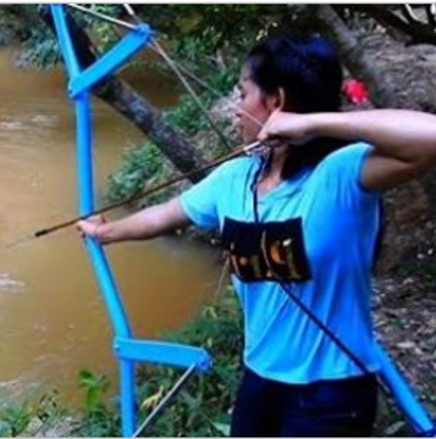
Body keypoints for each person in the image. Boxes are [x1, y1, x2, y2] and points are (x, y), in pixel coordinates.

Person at [76, 34, 436, 437]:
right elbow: (166, 215)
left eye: (242, 92)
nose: (234, 108)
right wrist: (107, 232)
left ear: (276, 101)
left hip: (331, 392)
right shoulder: (236, 178)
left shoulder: (340, 174)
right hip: (259, 382)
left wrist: (312, 123)